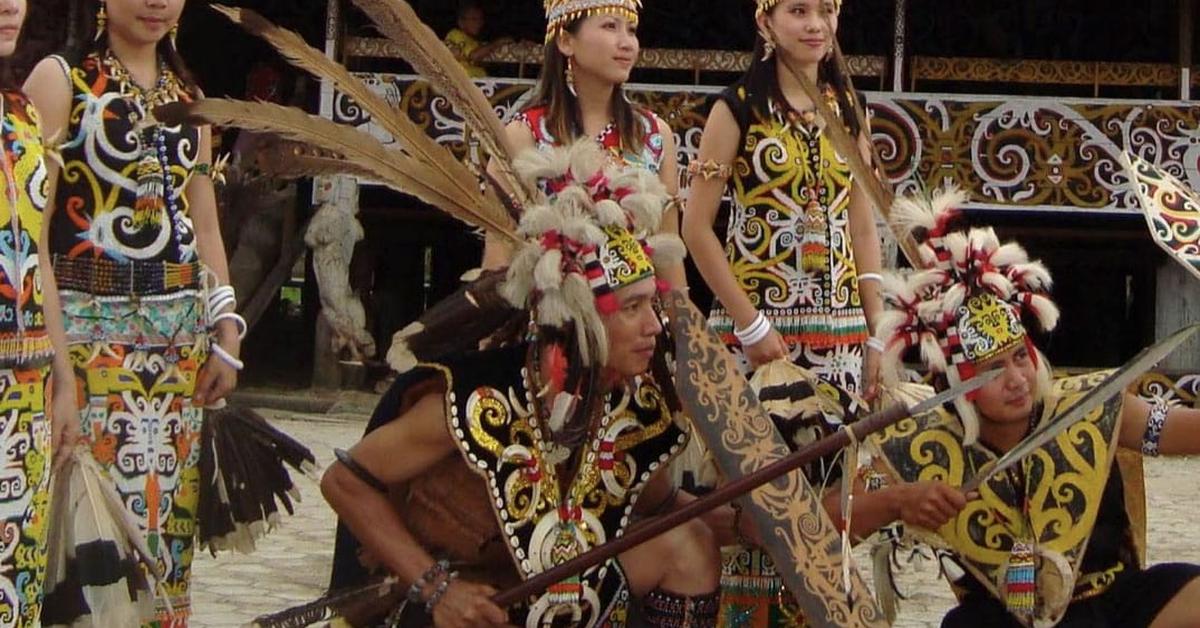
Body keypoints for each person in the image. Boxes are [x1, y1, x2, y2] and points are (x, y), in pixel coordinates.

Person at [326, 140, 722, 626]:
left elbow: (664, 508)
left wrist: (772, 525)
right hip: (462, 610)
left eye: (651, 304)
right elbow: (346, 481)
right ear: (581, 318)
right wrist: (437, 588)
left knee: (691, 544)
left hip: (560, 603)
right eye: (632, 309)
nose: (654, 327)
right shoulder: (476, 399)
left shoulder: (633, 408)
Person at [830, 187, 1200, 627]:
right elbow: (825, 517)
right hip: (1001, 617)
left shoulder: (1092, 405)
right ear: (956, 384)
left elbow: (1189, 431)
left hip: (1110, 603)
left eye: (1020, 357)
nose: (1017, 380)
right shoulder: (921, 443)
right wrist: (898, 501)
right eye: (993, 369)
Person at [23, 0, 242, 624]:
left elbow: (204, 222)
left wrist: (225, 327)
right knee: (85, 545)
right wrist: (59, 373)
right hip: (87, 353)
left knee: (162, 544)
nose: (157, 3)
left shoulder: (189, 95)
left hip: (180, 362)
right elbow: (32, 236)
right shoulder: (60, 82)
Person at [680, 0, 884, 622]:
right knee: (753, 503)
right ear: (765, 22)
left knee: (833, 498)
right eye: (799, 10)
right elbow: (695, 227)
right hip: (757, 338)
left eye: (826, 10)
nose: (816, 24)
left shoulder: (848, 107)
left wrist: (877, 331)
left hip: (844, 338)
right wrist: (752, 325)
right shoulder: (735, 107)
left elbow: (863, 220)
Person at [480, 0, 686, 291]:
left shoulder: (653, 135)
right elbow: (499, 255)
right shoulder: (523, 135)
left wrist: (684, 331)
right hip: (552, 321)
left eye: (631, 30)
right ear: (566, 40)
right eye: (610, 26)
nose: (627, 43)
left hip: (638, 325)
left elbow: (669, 257)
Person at [0, 0, 80, 623]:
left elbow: (37, 252)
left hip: (24, 391)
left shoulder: (25, 113)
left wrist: (62, 376)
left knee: (15, 579)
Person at [444, 2, 511, 79]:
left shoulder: (474, 41)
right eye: (474, 19)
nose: (478, 23)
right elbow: (474, 56)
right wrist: (498, 43)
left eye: (480, 19)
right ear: (461, 22)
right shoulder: (455, 34)